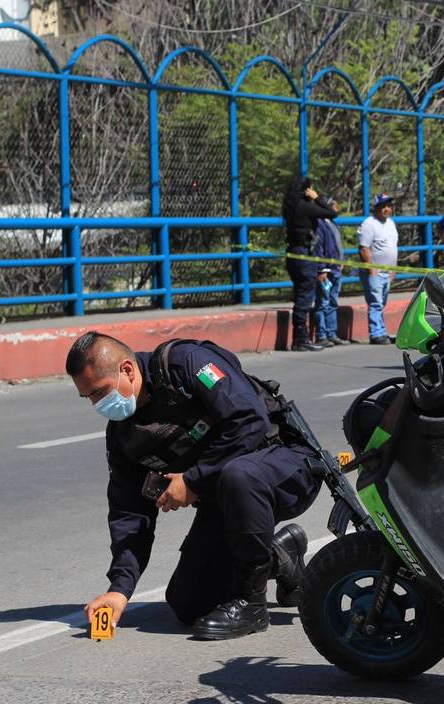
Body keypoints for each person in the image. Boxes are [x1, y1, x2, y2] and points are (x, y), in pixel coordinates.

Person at [68, 332, 321, 640]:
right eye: (90, 398)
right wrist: (120, 590)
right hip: (228, 499)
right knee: (188, 603)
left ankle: (251, 604)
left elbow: (248, 420)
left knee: (239, 474)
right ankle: (281, 555)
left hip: (287, 468)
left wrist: (193, 480)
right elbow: (129, 513)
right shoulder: (125, 435)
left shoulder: (185, 364)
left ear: (127, 370)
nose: (98, 404)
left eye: (100, 392)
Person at [282, 174, 337, 352]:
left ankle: (300, 337)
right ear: (306, 190)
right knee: (304, 299)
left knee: (300, 296)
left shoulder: (290, 208)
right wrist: (317, 198)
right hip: (305, 256)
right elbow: (331, 213)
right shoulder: (305, 207)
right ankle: (301, 339)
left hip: (293, 254)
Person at [358, 193, 399, 345]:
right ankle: (376, 333)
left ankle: (382, 331)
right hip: (374, 271)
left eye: (389, 206)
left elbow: (393, 247)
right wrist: (371, 269)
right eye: (383, 206)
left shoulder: (391, 223)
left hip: (387, 272)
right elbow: (363, 248)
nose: (387, 209)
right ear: (376, 208)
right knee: (375, 302)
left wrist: (393, 269)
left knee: (381, 303)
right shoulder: (369, 224)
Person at [312, 197, 346, 347]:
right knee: (323, 303)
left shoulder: (333, 224)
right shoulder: (319, 225)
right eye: (335, 207)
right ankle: (322, 334)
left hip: (336, 269)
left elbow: (337, 246)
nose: (337, 210)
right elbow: (319, 248)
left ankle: (332, 333)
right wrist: (321, 269)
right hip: (326, 270)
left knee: (332, 302)